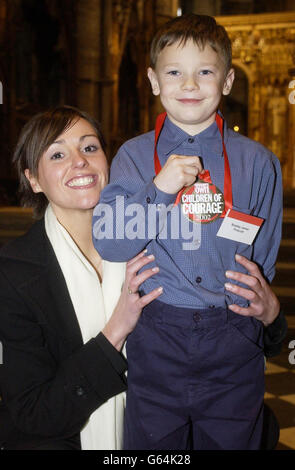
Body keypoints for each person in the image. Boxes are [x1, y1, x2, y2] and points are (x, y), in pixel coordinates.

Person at [93, 14, 285, 450]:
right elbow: (111, 241)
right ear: (153, 80)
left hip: (232, 334)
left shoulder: (259, 163)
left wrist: (256, 305)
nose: (190, 84)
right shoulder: (134, 157)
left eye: (205, 71)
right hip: (159, 334)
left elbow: (266, 250)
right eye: (174, 72)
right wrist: (159, 188)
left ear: (229, 80)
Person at [0, 106, 163, 450]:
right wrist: (115, 330)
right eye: (57, 154)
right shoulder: (14, 273)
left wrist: (270, 321)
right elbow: (32, 413)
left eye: (90, 148)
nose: (79, 161)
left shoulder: (152, 242)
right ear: (33, 179)